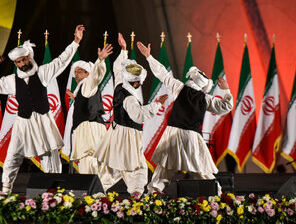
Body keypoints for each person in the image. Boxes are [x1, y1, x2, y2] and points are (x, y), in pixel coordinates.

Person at [0, 25, 85, 193]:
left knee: (49, 156)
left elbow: (61, 61)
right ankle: (6, 190)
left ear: (29, 57)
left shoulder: (43, 72)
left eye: (24, 59)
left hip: (42, 121)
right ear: (15, 63)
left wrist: (76, 41)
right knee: (12, 157)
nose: (22, 63)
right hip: (23, 122)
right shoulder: (12, 80)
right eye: (18, 62)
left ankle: (56, 190)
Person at [136, 41, 233, 195]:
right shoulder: (205, 98)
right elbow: (225, 107)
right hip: (191, 136)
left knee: (165, 167)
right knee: (201, 169)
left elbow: (163, 74)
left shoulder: (179, 88)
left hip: (173, 134)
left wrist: (148, 57)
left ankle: (153, 194)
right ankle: (217, 194)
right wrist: (226, 89)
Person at [94, 33, 168, 198]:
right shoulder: (129, 98)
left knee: (113, 164)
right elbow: (139, 116)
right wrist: (157, 104)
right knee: (137, 164)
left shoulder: (120, 85)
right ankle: (136, 192)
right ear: (135, 82)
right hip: (128, 134)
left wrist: (124, 50)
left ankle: (96, 191)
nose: (140, 84)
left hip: (116, 132)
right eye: (139, 82)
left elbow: (118, 69)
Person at [66, 44, 113, 174]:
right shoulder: (83, 88)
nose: (76, 74)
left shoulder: (88, 83)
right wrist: (76, 99)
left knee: (88, 160)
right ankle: (95, 190)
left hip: (89, 128)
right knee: (91, 161)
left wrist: (100, 60)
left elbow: (96, 77)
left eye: (80, 71)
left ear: (88, 73)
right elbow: (87, 102)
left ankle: (91, 192)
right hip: (89, 126)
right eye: (75, 71)